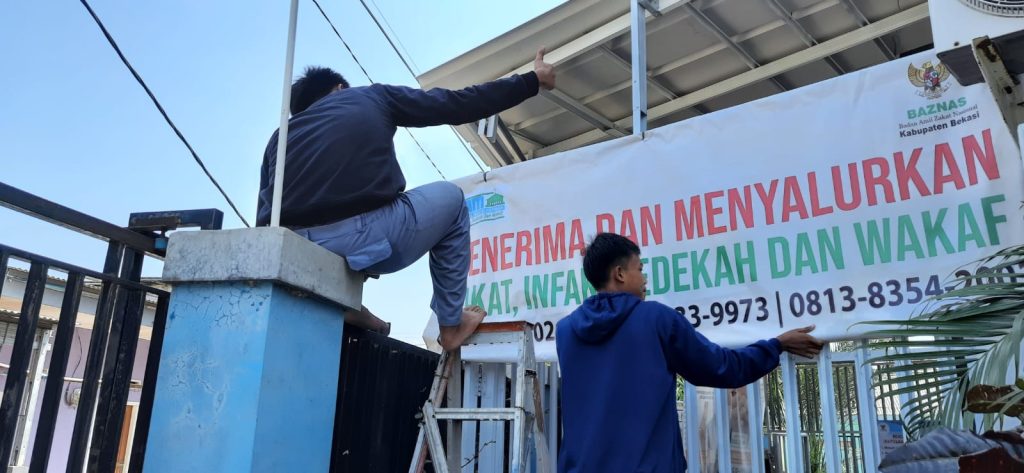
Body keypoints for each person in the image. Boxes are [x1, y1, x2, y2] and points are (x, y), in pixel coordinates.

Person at [256, 49, 556, 350]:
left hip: (301, 256)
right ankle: (451, 325)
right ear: (340, 88)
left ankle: (346, 305)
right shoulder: (369, 96)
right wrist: (531, 81)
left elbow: (264, 223)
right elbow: (456, 104)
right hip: (370, 238)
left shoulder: (278, 138)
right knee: (452, 200)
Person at [555, 233, 824, 472]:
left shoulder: (566, 331)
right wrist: (776, 345)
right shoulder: (656, 319)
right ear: (620, 274)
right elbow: (720, 366)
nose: (645, 278)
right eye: (640, 269)